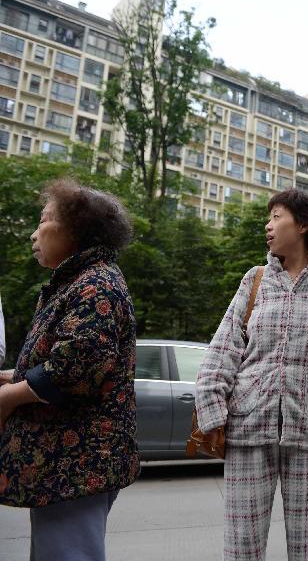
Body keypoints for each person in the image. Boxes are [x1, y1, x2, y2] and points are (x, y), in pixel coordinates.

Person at [195, 188, 308, 560]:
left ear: (303, 225)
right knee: (242, 545)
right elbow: (226, 345)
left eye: (276, 216)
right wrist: (213, 410)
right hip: (249, 423)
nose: (267, 225)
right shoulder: (256, 279)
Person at [0, 179, 139, 560]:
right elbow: (62, 360)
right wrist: (13, 376)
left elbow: (74, 367)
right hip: (60, 465)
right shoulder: (78, 281)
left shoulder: (96, 285)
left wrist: (9, 397)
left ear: (75, 231)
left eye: (43, 220)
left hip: (76, 464)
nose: (34, 233)